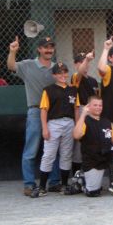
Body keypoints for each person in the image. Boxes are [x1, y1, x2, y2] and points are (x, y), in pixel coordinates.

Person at [7, 36, 61, 196]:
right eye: (45, 47)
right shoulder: (28, 65)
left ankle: (54, 182)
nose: (49, 50)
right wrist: (12, 51)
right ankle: (29, 184)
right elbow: (11, 66)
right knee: (31, 149)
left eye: (51, 47)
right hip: (36, 111)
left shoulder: (57, 68)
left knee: (53, 148)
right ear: (39, 49)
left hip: (54, 112)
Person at [30, 62, 80, 198]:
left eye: (65, 72)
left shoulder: (73, 90)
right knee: (49, 155)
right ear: (54, 75)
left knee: (66, 154)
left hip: (69, 123)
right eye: (59, 73)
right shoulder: (49, 90)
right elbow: (43, 111)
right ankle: (42, 187)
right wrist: (45, 128)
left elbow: (76, 109)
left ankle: (64, 185)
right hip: (54, 123)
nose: (63, 75)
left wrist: (77, 125)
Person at [72, 96, 113, 197]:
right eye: (95, 105)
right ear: (88, 106)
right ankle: (81, 178)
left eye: (100, 105)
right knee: (93, 193)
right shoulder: (85, 121)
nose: (98, 107)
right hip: (93, 161)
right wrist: (83, 114)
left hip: (108, 156)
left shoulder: (107, 122)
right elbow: (76, 135)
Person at [71, 51, 99, 174]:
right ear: (75, 64)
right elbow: (80, 73)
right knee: (79, 145)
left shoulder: (93, 81)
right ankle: (76, 175)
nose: (85, 64)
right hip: (81, 110)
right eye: (81, 62)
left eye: (86, 62)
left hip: (93, 113)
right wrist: (87, 59)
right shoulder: (75, 77)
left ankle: (90, 172)